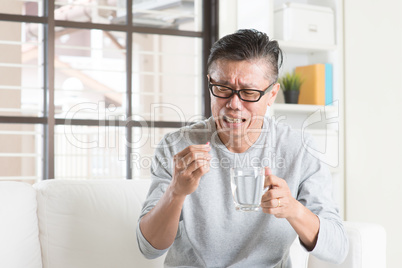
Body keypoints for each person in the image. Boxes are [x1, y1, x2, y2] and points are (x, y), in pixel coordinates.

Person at [136, 29, 348, 267]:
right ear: (210, 84)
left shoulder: (298, 149)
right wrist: (176, 192)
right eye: (223, 89)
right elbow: (149, 248)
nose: (234, 105)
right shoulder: (176, 146)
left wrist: (293, 209)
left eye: (249, 92)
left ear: (272, 95)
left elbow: (338, 248)